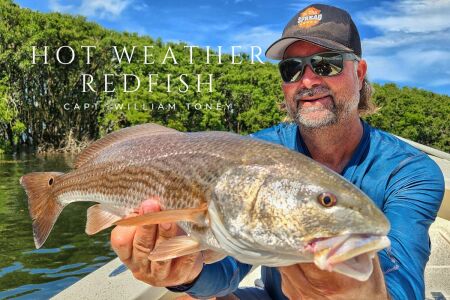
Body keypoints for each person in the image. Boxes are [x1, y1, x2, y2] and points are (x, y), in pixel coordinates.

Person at [110, 4, 445, 299]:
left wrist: (366, 295)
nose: (307, 80)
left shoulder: (410, 170)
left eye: (325, 64)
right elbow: (228, 268)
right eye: (292, 69)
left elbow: (404, 273)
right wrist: (187, 275)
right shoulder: (255, 154)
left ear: (359, 73)